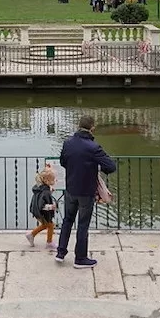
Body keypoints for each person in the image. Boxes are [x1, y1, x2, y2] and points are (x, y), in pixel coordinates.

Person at [55, 114, 116, 268]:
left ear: (78, 125)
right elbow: (111, 166)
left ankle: (61, 253)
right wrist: (94, 166)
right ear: (92, 128)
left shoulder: (68, 143)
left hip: (70, 188)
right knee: (83, 224)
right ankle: (80, 258)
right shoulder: (93, 147)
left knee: (67, 220)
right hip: (86, 192)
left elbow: (63, 161)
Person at [26, 165, 58, 250]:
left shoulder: (41, 188)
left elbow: (42, 198)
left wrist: (50, 191)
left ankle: (32, 235)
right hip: (41, 212)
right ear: (47, 181)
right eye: (53, 179)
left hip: (36, 211)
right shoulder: (45, 192)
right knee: (50, 225)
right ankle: (49, 242)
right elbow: (42, 205)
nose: (55, 181)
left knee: (46, 225)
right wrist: (51, 207)